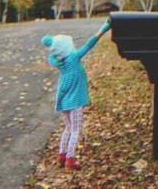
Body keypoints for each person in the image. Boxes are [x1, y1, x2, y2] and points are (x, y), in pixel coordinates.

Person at [41, 19, 111, 170]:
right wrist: (103, 28)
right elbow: (89, 44)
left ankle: (61, 155)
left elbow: (51, 57)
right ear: (67, 48)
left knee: (67, 128)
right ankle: (70, 159)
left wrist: (55, 48)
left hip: (63, 102)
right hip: (75, 102)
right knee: (76, 130)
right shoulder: (74, 58)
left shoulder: (58, 62)